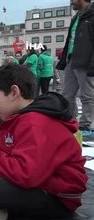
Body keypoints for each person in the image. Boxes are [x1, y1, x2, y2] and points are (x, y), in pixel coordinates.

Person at [0, 64, 87, 220]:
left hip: (55, 197)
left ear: (14, 92)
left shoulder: (36, 122)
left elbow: (26, 174)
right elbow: (13, 154)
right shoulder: (16, 118)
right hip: (35, 183)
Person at [57, 0, 94, 137]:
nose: (71, 2)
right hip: (71, 60)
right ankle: (71, 121)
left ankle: (87, 125)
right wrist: (64, 59)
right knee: (66, 94)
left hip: (86, 61)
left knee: (87, 95)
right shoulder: (76, 17)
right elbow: (70, 40)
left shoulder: (92, 14)